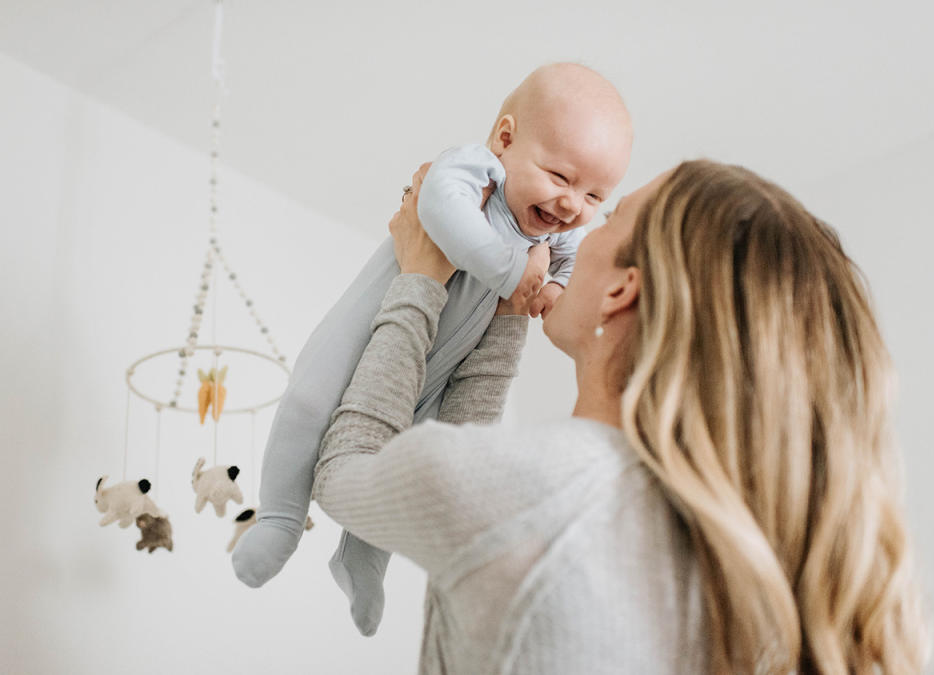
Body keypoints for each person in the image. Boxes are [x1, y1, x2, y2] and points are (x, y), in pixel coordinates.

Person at [313, 159, 929, 674]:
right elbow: (480, 484)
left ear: (620, 289)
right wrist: (504, 312)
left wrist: (420, 279)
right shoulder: (751, 561)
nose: (576, 222)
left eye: (606, 215)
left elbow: (345, 469)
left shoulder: (523, 494)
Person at [231, 62, 633, 637]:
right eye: (561, 176)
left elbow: (563, 265)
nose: (572, 204)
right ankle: (279, 518)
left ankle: (364, 558)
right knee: (307, 403)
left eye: (595, 194)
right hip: (370, 327)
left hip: (436, 367)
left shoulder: (553, 236)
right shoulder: (473, 170)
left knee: (405, 453)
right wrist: (510, 270)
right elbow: (439, 208)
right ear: (506, 139)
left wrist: (551, 287)